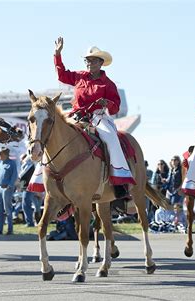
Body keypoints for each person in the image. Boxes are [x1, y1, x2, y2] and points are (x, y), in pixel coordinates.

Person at [53, 36, 135, 200]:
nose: (89, 63)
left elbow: (116, 106)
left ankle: (119, 182)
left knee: (111, 138)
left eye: (93, 60)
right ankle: (45, 179)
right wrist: (57, 54)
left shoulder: (109, 84)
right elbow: (61, 75)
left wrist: (108, 102)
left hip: (99, 117)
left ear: (101, 62)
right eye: (87, 60)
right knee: (53, 133)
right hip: (76, 115)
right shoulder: (79, 77)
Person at [0, 147, 18, 235]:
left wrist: (10, 186)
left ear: (5, 154)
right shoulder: (1, 163)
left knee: (7, 209)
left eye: (0, 153)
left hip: (6, 188)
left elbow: (14, 176)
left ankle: (10, 230)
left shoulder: (11, 163)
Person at [18, 153, 40, 227]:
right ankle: (35, 221)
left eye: (22, 158)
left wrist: (21, 187)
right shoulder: (27, 166)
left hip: (28, 188)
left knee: (26, 205)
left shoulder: (28, 166)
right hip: (29, 188)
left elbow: (23, 177)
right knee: (36, 206)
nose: (21, 160)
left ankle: (30, 222)